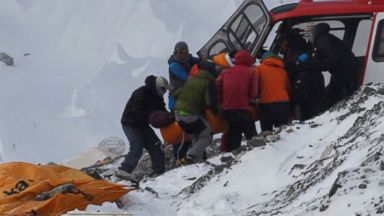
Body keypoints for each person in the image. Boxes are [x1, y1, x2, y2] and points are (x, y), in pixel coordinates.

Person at [119, 75, 170, 178]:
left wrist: (169, 117)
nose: (164, 92)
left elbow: (162, 110)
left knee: (156, 146)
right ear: (158, 85)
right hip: (130, 123)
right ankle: (124, 170)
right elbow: (136, 110)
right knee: (137, 146)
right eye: (163, 89)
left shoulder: (158, 96)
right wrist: (151, 115)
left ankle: (159, 171)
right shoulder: (142, 92)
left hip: (143, 124)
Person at [173, 63, 219, 164]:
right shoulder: (208, 82)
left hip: (177, 115)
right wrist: (217, 112)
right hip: (190, 114)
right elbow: (210, 102)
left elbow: (175, 94)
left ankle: (197, 161)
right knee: (206, 134)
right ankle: (190, 156)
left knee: (197, 134)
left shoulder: (191, 79)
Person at [216, 49, 258, 152]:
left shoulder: (225, 72)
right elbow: (254, 93)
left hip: (227, 109)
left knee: (235, 133)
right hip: (242, 107)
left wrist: (221, 102)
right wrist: (251, 100)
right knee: (251, 134)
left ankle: (235, 157)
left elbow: (217, 85)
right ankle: (257, 154)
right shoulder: (251, 71)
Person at [311, 23, 359, 107]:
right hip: (346, 67)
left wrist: (319, 66)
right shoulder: (327, 37)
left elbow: (332, 58)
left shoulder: (323, 40)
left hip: (343, 69)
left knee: (335, 94)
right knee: (337, 91)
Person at [168, 41, 201, 161]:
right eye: (179, 52)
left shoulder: (188, 61)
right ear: (175, 53)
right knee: (181, 132)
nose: (182, 54)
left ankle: (194, 156)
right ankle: (179, 158)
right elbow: (187, 78)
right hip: (177, 105)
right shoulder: (174, 66)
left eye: (184, 52)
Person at [256, 51, 290, 132]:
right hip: (283, 103)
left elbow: (255, 84)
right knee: (283, 132)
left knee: (267, 132)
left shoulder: (259, 69)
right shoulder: (283, 71)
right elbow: (288, 87)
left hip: (266, 103)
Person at [294, 53, 328, 121]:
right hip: (321, 106)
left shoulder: (303, 75)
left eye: (298, 62)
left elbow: (301, 95)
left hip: (308, 109)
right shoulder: (319, 73)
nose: (296, 64)